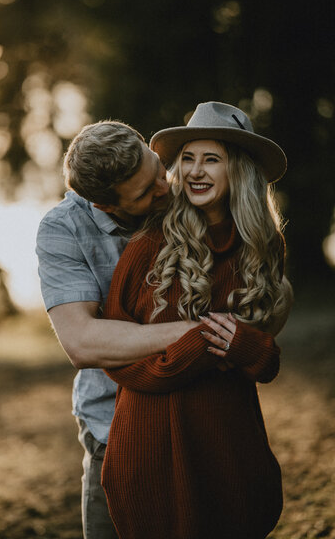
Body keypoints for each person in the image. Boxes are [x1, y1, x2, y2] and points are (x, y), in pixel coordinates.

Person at [101, 101, 292, 539]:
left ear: (239, 170)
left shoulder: (264, 249)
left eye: (211, 159)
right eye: (186, 158)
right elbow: (116, 359)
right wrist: (200, 346)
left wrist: (248, 348)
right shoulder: (149, 245)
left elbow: (263, 357)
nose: (194, 171)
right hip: (150, 449)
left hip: (228, 443)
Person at [36, 120, 209, 539]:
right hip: (111, 429)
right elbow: (81, 341)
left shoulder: (185, 193)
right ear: (107, 206)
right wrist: (197, 332)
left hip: (196, 416)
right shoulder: (63, 229)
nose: (164, 190)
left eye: (157, 170)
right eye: (145, 193)